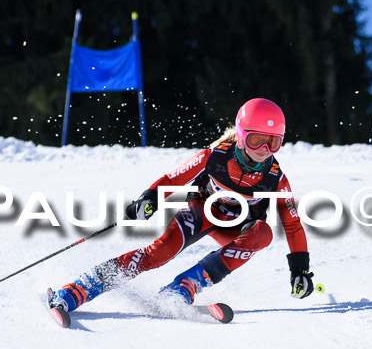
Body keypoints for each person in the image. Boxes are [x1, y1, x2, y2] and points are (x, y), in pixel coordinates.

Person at [48, 98, 314, 313]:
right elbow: (174, 179)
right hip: (202, 212)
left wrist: (299, 268)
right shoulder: (216, 156)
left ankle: (186, 285)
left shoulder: (276, 178)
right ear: (242, 135)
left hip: (235, 230)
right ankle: (80, 287)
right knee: (159, 253)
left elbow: (292, 224)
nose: (265, 149)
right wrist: (148, 199)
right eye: (257, 139)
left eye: (274, 141)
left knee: (263, 234)